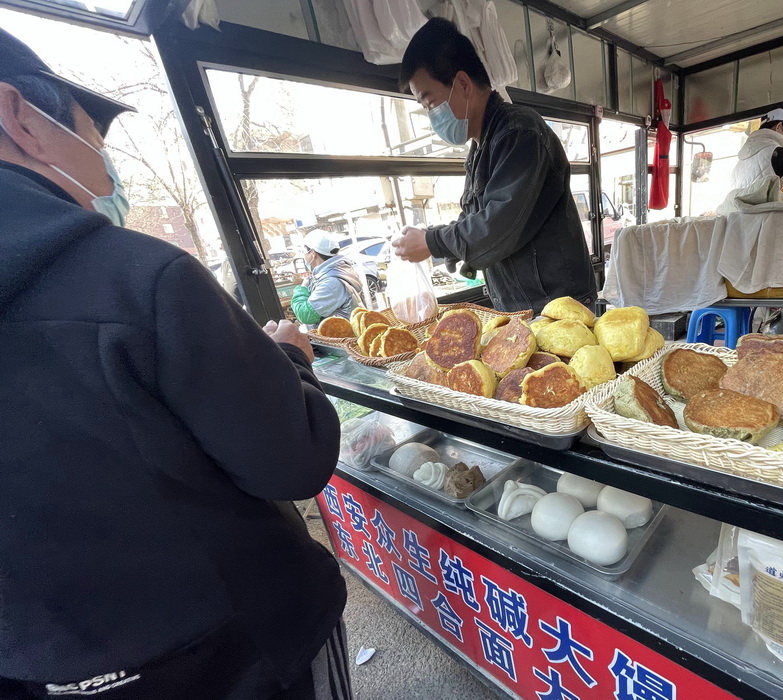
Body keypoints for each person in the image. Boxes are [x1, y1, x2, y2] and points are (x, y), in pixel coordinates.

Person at [0, 28, 351, 700]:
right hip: (245, 654)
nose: (108, 176)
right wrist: (290, 363)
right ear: (19, 117)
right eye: (96, 147)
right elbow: (294, 460)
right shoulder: (139, 280)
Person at [391, 18, 597, 314]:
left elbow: (496, 228)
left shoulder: (519, 132)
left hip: (558, 307)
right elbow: (473, 220)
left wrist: (432, 241)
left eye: (429, 102)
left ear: (462, 84)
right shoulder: (480, 149)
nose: (430, 115)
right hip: (523, 306)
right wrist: (430, 238)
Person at [291, 229, 364, 325]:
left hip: (338, 338)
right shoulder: (339, 270)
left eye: (304, 251)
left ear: (313, 253)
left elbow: (305, 315)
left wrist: (302, 289)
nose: (304, 256)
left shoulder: (331, 283)